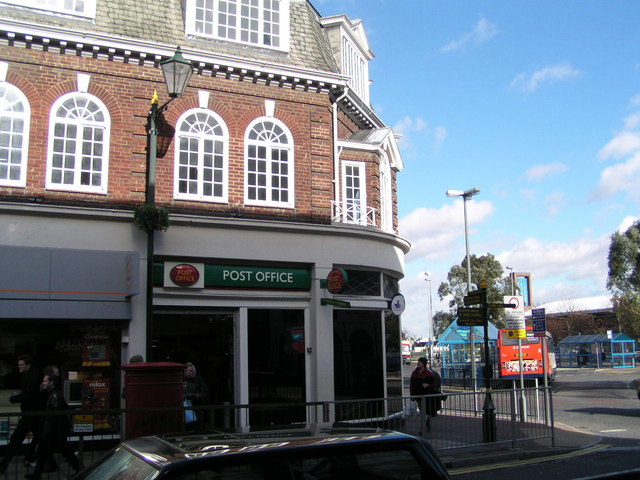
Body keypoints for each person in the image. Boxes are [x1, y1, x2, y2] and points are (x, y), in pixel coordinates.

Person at [25, 373, 80, 480]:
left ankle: (79, 468)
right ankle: (37, 473)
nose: (43, 383)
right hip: (54, 429)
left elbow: (56, 414)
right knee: (48, 450)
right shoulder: (49, 394)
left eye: (45, 381)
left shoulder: (55, 395)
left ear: (52, 383)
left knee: (59, 450)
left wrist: (49, 428)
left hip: (55, 429)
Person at [0, 355, 41, 474]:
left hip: (31, 414)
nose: (19, 367)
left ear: (28, 365)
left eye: (22, 365)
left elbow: (30, 395)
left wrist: (15, 398)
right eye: (19, 365)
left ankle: (5, 464)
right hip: (31, 413)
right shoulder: (30, 376)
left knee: (16, 439)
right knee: (40, 438)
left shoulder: (32, 377)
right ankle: (29, 458)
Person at [409, 357, 441, 432]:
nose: (418, 363)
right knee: (423, 412)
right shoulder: (414, 373)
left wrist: (428, 385)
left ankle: (422, 429)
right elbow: (412, 384)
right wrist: (412, 394)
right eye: (418, 362)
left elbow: (434, 383)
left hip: (426, 396)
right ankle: (427, 426)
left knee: (424, 412)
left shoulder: (428, 373)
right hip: (418, 395)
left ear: (424, 364)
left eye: (420, 362)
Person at [183, 362, 209, 431]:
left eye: (190, 371)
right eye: (186, 370)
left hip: (197, 407)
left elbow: (205, 394)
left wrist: (196, 395)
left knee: (197, 427)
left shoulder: (198, 380)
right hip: (185, 408)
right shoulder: (181, 381)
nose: (188, 372)